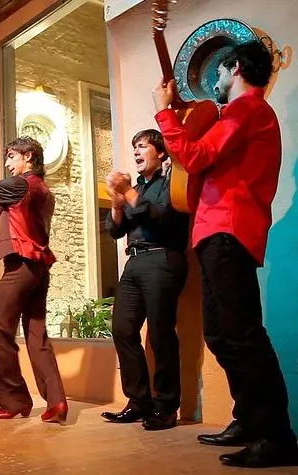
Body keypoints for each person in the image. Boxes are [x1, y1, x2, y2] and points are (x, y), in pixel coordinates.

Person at [153, 40, 298, 467]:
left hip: (228, 231)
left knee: (242, 334)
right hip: (217, 232)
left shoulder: (247, 110)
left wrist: (164, 112)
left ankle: (277, 435)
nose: (215, 82)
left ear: (234, 68)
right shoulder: (238, 114)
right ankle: (250, 420)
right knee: (220, 334)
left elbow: (196, 156)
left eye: (218, 73)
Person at [0, 137, 67, 424]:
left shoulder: (22, 184)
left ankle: (13, 400)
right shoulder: (43, 190)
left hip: (20, 268)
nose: (8, 163)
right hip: (39, 269)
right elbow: (11, 215)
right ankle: (57, 402)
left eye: (12, 156)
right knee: (37, 336)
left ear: (29, 156)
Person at [101, 129, 189, 430]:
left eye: (143, 147)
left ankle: (166, 408)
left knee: (161, 333)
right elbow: (114, 231)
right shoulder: (136, 187)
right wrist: (115, 202)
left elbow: (159, 217)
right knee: (123, 329)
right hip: (135, 261)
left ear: (161, 153)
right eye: (134, 147)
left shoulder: (171, 182)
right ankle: (139, 402)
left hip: (163, 258)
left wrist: (126, 193)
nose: (137, 152)